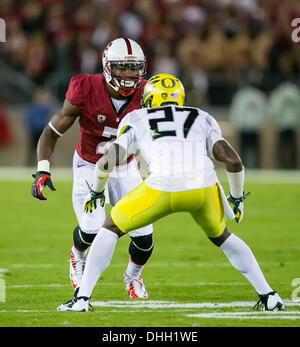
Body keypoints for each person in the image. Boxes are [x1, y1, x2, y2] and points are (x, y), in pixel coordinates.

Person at [57, 73, 284, 312]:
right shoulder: (201, 116)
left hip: (161, 189)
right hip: (203, 189)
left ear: (149, 99)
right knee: (224, 238)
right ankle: (268, 295)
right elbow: (233, 160)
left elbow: (106, 162)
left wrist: (97, 192)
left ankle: (82, 299)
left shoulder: (137, 117)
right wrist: (236, 198)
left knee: (110, 228)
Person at [31, 38, 154, 299]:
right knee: (92, 228)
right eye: (122, 67)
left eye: (135, 68)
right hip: (88, 163)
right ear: (108, 67)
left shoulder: (147, 93)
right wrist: (43, 170)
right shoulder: (85, 87)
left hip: (125, 166)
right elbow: (51, 133)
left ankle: (132, 276)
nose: (130, 75)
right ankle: (77, 257)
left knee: (144, 235)